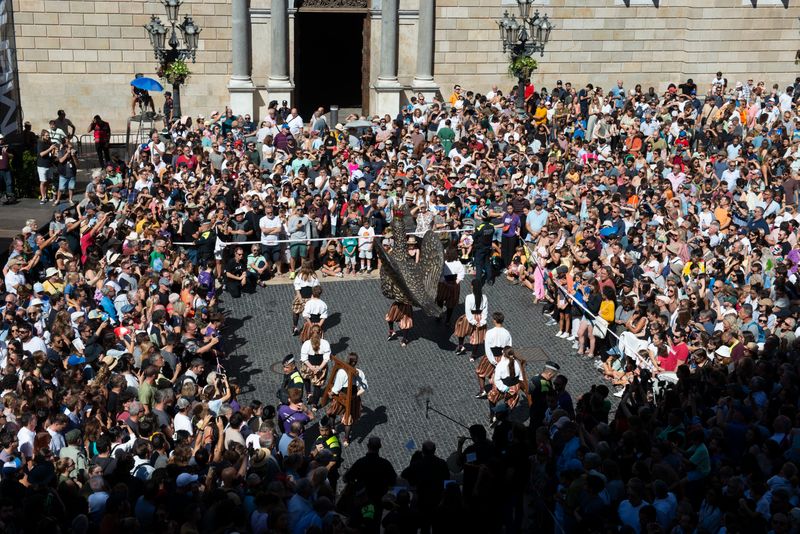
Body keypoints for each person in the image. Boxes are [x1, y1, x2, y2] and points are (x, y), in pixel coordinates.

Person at [326, 351, 367, 447]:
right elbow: (364, 387)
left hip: (342, 396)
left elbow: (336, 388)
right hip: (352, 397)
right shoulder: (359, 372)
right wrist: (355, 395)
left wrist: (331, 394)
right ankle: (346, 439)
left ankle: (332, 428)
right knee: (348, 418)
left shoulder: (342, 372)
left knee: (333, 412)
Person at [476, 311, 512, 398]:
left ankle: (482, 390)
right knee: (499, 376)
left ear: (495, 320)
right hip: (502, 357)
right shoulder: (507, 333)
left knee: (480, 372)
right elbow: (509, 348)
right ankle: (497, 391)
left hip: (490, 357)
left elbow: (487, 349)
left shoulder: (489, 332)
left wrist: (493, 361)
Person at [454, 277, 488, 358]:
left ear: (472, 286)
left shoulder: (469, 297)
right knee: (477, 337)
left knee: (461, 331)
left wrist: (473, 321)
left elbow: (467, 311)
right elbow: (485, 311)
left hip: (470, 318)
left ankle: (460, 346)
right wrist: (481, 321)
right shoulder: (484, 297)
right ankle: (473, 355)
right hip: (480, 318)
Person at [299, 324, 330, 407]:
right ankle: (315, 404)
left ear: (311, 332)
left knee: (306, 378)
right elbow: (326, 359)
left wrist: (311, 367)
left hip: (308, 366)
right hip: (320, 367)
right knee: (317, 385)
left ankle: (308, 393)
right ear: (320, 332)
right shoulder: (325, 343)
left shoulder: (306, 344)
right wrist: (319, 368)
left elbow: (304, 358)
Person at [436, 247, 465, 323]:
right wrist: (456, 282)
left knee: (440, 300)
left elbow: (440, 274)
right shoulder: (458, 263)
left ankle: (439, 315)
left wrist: (445, 282)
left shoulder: (444, 263)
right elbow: (461, 273)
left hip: (443, 284)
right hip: (454, 284)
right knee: (451, 304)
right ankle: (448, 320)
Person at [291, 261, 319, 336]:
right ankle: (308, 329)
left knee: (295, 312)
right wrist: (312, 300)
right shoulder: (314, 276)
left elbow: (297, 290)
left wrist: (301, 300)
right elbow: (315, 290)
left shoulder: (299, 276)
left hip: (301, 297)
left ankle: (295, 327)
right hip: (310, 298)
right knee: (309, 314)